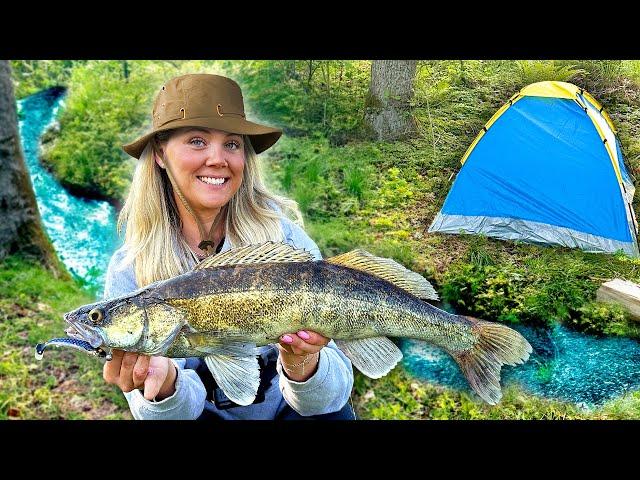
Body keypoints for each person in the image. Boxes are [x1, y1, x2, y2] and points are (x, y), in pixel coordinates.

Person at [102, 73, 355, 420]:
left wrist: (304, 361)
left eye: (232, 144)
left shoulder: (286, 240)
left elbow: (331, 400)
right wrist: (163, 388)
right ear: (160, 154)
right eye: (196, 141)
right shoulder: (128, 271)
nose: (218, 159)